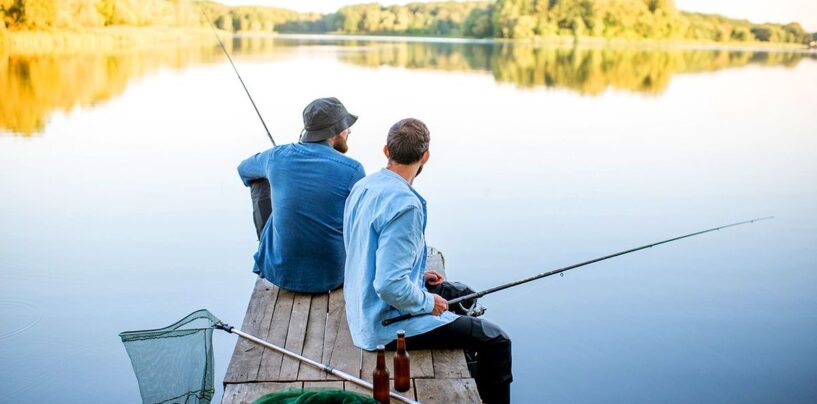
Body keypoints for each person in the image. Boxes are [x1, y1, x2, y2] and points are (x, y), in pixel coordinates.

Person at [343, 118, 512, 403]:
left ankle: (461, 344)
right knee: (496, 340)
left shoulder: (364, 186)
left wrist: (419, 278)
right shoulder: (405, 206)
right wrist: (426, 302)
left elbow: (368, 254)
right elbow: (388, 285)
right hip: (383, 323)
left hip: (361, 303)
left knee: (463, 295)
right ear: (425, 157)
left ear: (386, 150)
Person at [238, 97, 365, 293]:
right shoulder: (353, 169)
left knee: (259, 179)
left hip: (280, 273)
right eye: (347, 127)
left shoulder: (276, 156)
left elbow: (244, 170)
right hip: (333, 277)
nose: (348, 131)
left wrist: (280, 177)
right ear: (337, 131)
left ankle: (271, 247)